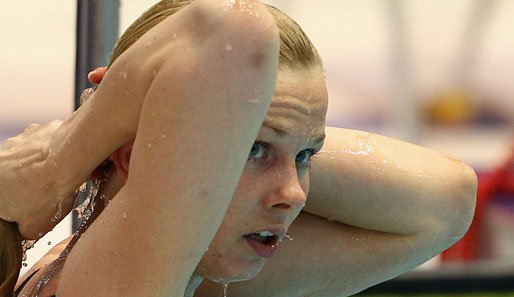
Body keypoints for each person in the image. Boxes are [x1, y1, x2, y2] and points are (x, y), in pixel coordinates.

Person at [0, 0, 478, 296]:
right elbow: (226, 32)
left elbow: (448, 200)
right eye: (250, 150)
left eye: (306, 158)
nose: (294, 193)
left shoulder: (187, 275)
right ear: (131, 151)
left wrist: (106, 131)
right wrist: (56, 162)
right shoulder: (113, 284)